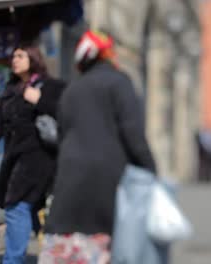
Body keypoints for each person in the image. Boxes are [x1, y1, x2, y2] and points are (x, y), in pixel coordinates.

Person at [39, 30, 156, 263]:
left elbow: (62, 137)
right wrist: (151, 171)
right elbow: (133, 134)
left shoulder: (71, 89)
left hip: (68, 185)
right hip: (107, 186)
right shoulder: (119, 82)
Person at [0, 44, 65, 264]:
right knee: (31, 210)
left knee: (17, 207)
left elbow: (66, 113)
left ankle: (13, 260)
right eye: (13, 56)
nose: (15, 60)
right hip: (17, 160)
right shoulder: (11, 89)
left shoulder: (50, 86)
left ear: (33, 59)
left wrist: (39, 99)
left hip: (40, 160)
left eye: (20, 56)